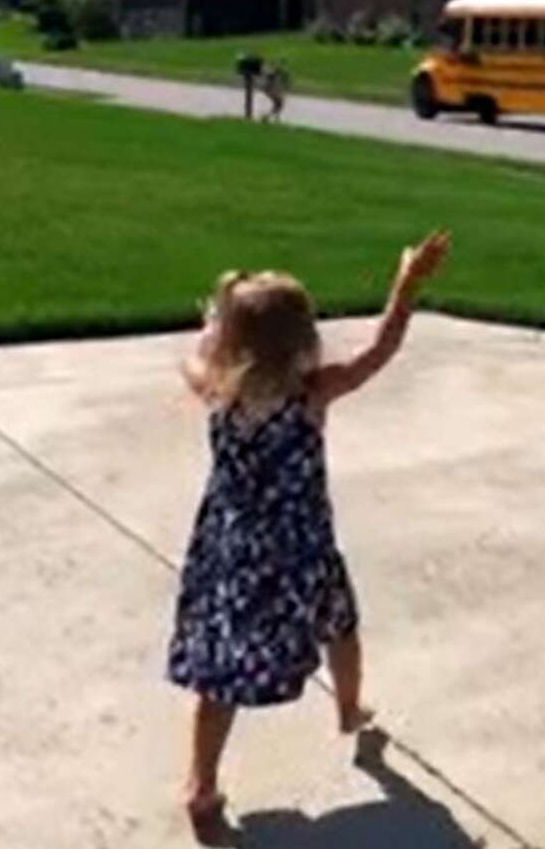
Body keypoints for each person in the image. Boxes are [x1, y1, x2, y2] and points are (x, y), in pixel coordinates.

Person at [167, 230, 450, 844]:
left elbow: (195, 360)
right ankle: (348, 708)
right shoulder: (313, 393)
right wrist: (405, 286)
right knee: (340, 624)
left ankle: (201, 785)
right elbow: (381, 349)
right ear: (302, 342)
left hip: (232, 555)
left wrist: (214, 334)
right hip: (301, 551)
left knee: (220, 674)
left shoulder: (216, 387)